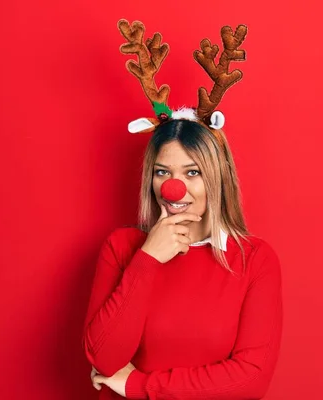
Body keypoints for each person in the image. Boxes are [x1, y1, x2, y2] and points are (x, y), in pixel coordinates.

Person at [81, 20, 283, 399]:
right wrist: (147, 259)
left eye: (192, 172)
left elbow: (249, 379)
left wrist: (137, 384)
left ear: (216, 176)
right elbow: (104, 358)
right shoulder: (122, 248)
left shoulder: (254, 260)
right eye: (163, 172)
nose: (174, 187)